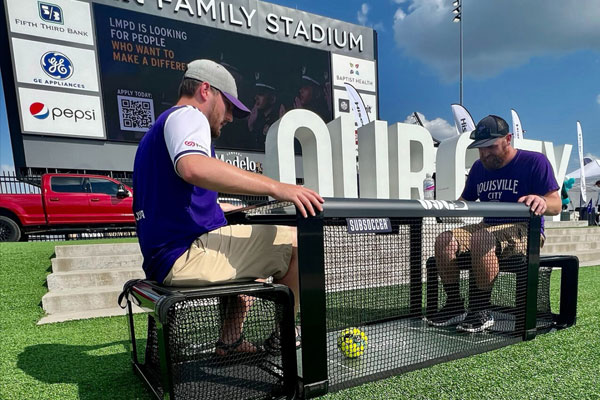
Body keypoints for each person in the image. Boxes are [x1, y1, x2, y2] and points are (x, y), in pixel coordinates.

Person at [132, 59, 324, 355]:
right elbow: (193, 168)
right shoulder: (188, 115)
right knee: (297, 242)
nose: (231, 117)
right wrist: (278, 187)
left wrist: (221, 205)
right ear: (206, 90)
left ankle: (230, 342)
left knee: (244, 252)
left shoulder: (154, 133)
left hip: (163, 256)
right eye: (230, 106)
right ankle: (283, 335)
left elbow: (176, 196)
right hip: (182, 255)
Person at [428, 115, 561, 333]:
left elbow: (556, 205)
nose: (485, 153)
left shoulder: (535, 161)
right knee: (445, 240)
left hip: (527, 228)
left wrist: (542, 200)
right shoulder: (479, 168)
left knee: (482, 238)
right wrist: (441, 205)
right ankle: (454, 304)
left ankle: (481, 309)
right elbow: (464, 202)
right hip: (488, 226)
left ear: (508, 138)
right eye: (480, 148)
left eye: (491, 146)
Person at [247, 72, 286, 147]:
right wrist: (250, 126)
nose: (256, 98)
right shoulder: (254, 117)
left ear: (272, 99)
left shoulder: (276, 120)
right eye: (256, 94)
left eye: (261, 94)